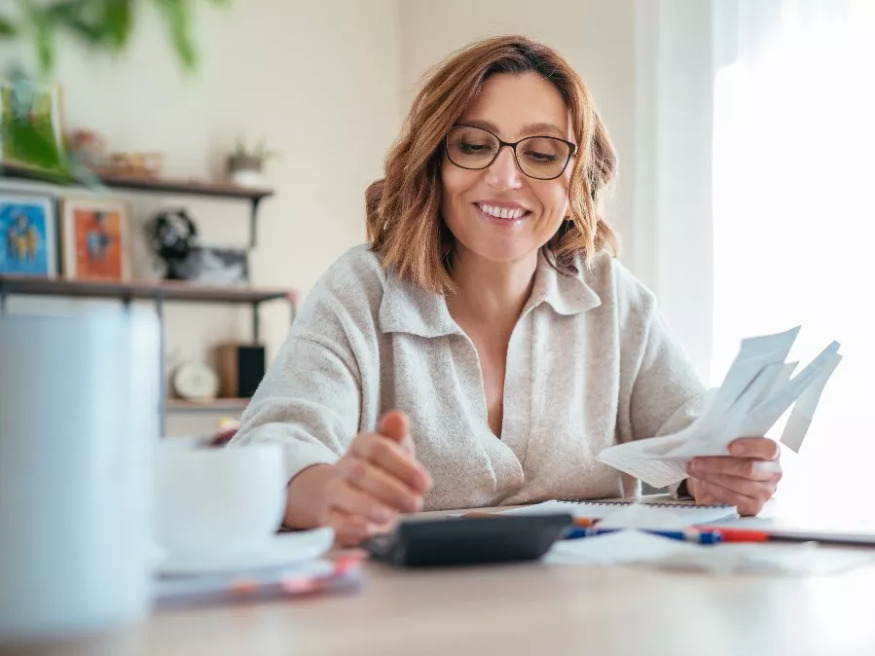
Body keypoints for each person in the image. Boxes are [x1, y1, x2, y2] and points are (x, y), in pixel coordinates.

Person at [230, 36, 782, 546]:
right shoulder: (361, 291)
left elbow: (691, 431)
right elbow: (272, 446)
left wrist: (724, 476)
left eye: (541, 155)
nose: (504, 178)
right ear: (434, 162)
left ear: (576, 180)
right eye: (474, 145)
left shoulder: (612, 296)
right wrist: (328, 491)